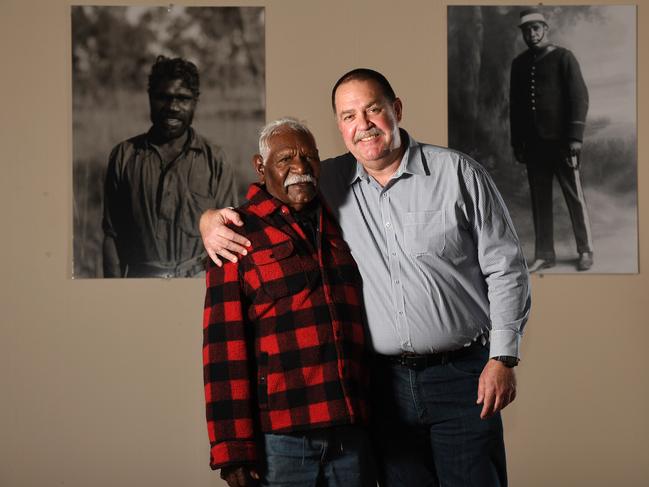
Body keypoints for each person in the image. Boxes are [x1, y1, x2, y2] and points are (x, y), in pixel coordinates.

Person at [201, 69, 531, 487]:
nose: (363, 125)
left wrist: (502, 357)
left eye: (373, 110)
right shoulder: (328, 183)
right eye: (349, 115)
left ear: (395, 110)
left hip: (462, 379)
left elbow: (507, 268)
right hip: (383, 389)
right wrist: (210, 220)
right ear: (339, 126)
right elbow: (276, 190)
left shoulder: (457, 174)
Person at [202, 118, 374, 487]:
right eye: (286, 160)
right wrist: (232, 451)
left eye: (310, 157)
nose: (300, 168)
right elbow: (222, 350)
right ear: (260, 167)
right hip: (281, 443)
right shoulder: (234, 235)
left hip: (352, 436)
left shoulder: (343, 222)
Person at [102, 55, 238, 278]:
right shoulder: (124, 156)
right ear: (149, 98)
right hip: (140, 281)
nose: (172, 107)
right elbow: (111, 235)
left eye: (182, 98)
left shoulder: (215, 159)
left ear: (195, 102)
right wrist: (112, 292)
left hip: (199, 282)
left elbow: (229, 234)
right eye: (163, 97)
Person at [510, 8, 594, 272]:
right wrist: (517, 143)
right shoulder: (519, 64)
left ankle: (585, 250)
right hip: (534, 145)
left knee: (574, 197)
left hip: (562, 143)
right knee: (540, 200)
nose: (531, 34)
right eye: (527, 30)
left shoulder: (563, 57)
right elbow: (516, 107)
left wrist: (575, 137)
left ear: (546, 29)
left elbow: (579, 98)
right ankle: (545, 254)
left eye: (536, 28)